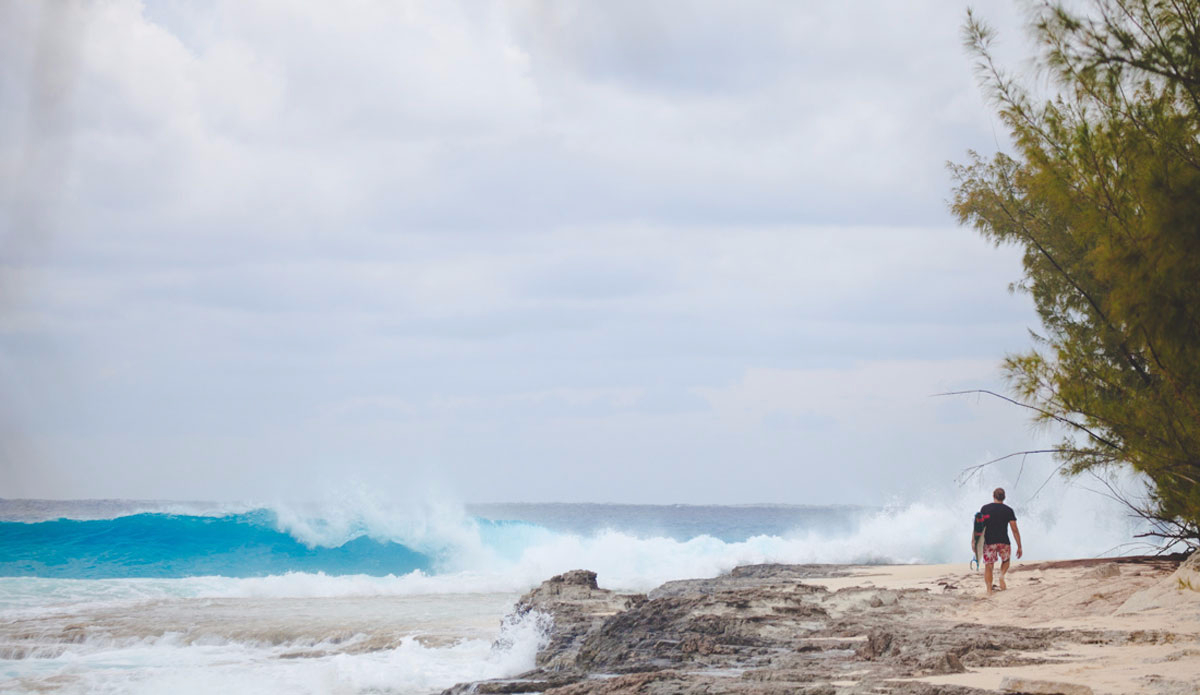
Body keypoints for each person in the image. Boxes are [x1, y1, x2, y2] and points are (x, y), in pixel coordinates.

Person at [979, 487, 1022, 595]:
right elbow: (1014, 529)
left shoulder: (985, 509)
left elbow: (979, 527)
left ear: (993, 496)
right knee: (1006, 561)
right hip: (1004, 541)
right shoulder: (1008, 510)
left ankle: (989, 589)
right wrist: (1019, 546)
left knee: (989, 565)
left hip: (989, 542)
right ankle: (1002, 576)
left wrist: (974, 542)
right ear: (1004, 497)